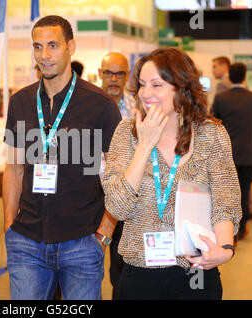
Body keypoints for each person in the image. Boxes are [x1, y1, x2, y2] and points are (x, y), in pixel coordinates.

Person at [102, 47, 242, 300]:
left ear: (181, 88)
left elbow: (225, 202)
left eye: (157, 85)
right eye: (142, 85)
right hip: (139, 275)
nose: (145, 94)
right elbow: (117, 206)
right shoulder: (126, 132)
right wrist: (144, 146)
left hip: (196, 271)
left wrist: (224, 248)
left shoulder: (211, 135)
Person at [3, 15, 121, 300]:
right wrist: (9, 226)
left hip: (81, 241)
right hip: (27, 241)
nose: (44, 55)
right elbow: (14, 168)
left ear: (71, 47)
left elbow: (120, 177)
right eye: (38, 46)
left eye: (53, 45)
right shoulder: (20, 102)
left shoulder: (100, 106)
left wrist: (104, 232)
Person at [212, 63, 252, 241]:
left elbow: (214, 125)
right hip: (250, 155)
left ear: (229, 77)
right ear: (245, 76)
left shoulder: (221, 98)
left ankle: (230, 232)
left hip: (226, 155)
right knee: (243, 190)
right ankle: (241, 229)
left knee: (226, 194)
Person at [98, 51, 134, 299]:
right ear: (100, 73)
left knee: (120, 268)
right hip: (88, 195)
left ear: (127, 76)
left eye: (119, 73)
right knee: (77, 264)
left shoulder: (139, 108)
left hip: (125, 197)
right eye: (108, 73)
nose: (113, 78)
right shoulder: (86, 103)